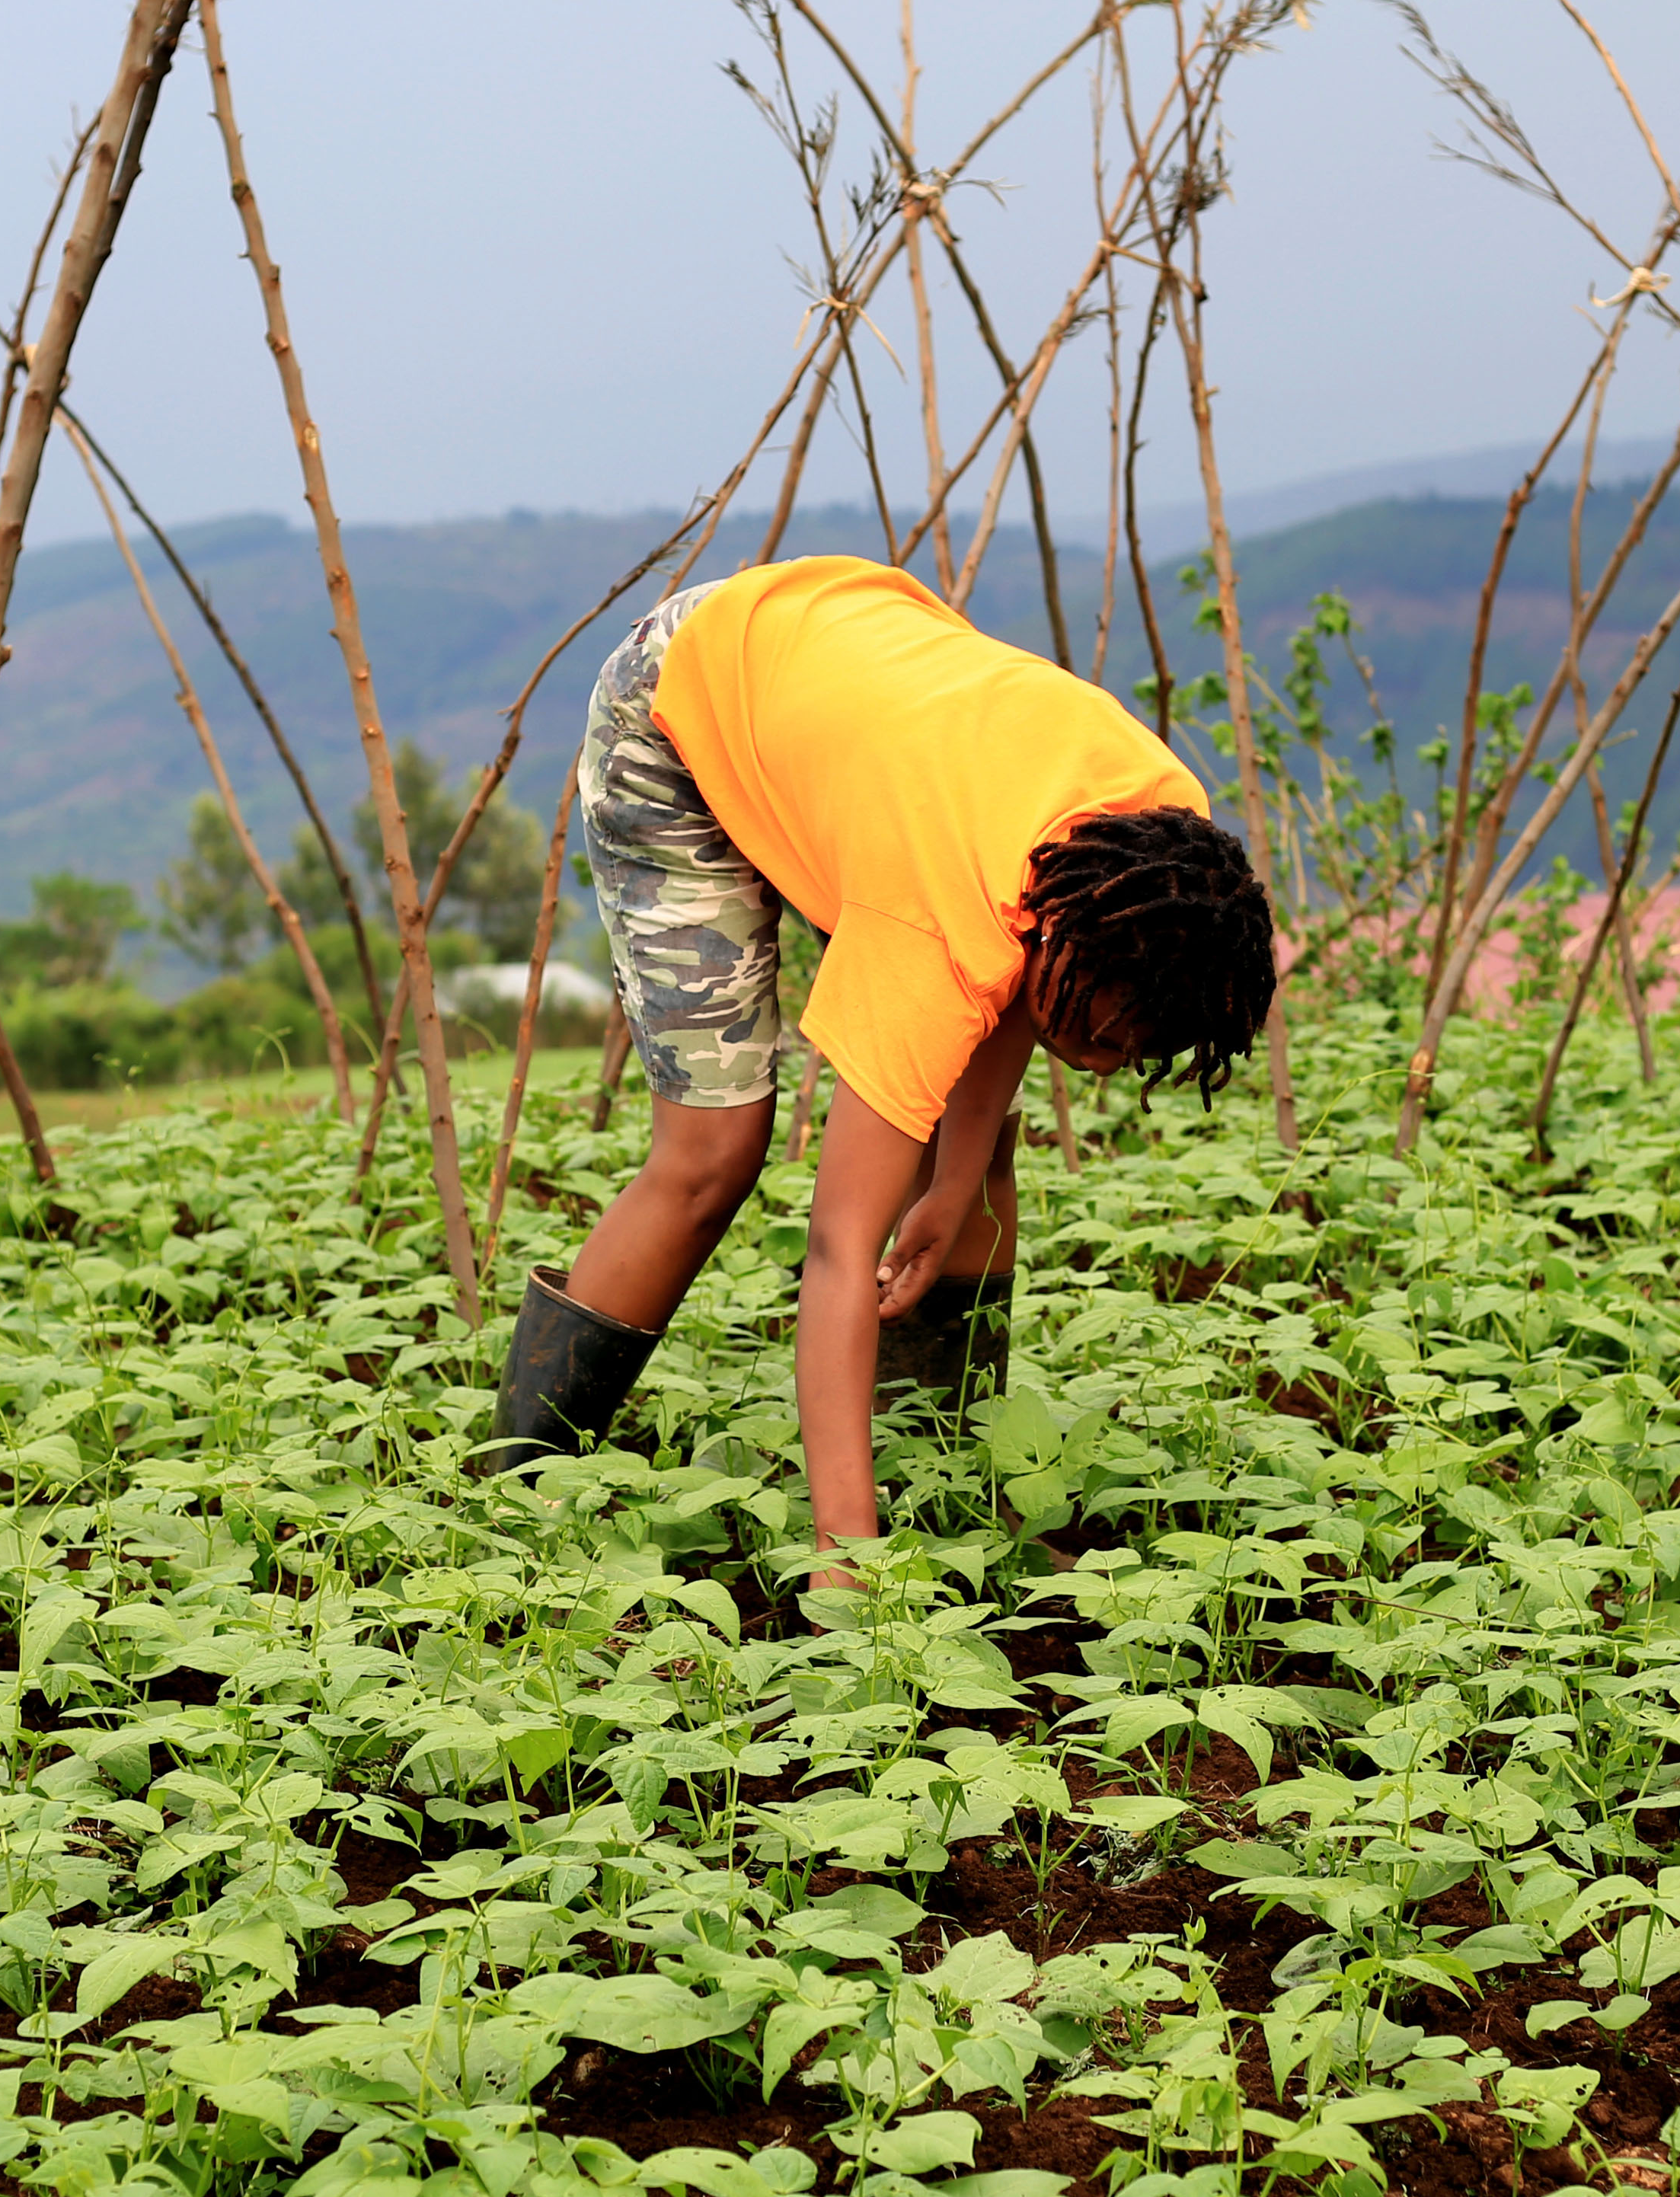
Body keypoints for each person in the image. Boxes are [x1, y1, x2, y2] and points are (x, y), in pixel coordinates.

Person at [487, 553, 1275, 1566]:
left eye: (1141, 1050)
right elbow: (838, 1253)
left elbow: (1017, 978)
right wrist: (847, 1570)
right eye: (1113, 1036)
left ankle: (942, 1476)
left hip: (850, 676)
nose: (1116, 1065)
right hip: (685, 705)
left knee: (979, 1162)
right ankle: (518, 1489)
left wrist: (954, 1181)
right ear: (1067, 940)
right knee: (715, 1154)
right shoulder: (938, 927)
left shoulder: (1159, 839)